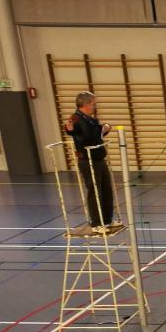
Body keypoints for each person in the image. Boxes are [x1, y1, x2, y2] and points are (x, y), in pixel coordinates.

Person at [63, 91, 114, 229]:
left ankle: (107, 220)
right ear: (85, 104)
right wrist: (69, 129)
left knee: (106, 190)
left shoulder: (91, 119)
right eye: (93, 104)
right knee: (95, 192)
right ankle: (96, 223)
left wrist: (105, 128)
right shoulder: (76, 118)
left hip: (99, 159)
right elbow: (72, 130)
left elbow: (96, 132)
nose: (94, 107)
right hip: (88, 160)